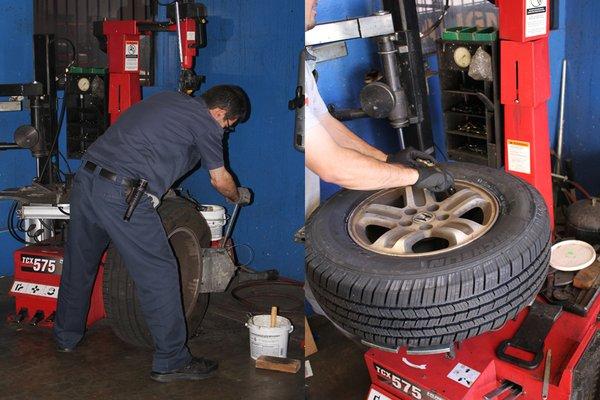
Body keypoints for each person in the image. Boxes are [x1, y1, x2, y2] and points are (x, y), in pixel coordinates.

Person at [54, 85, 252, 383]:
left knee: (79, 263)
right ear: (220, 113)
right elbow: (219, 179)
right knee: (160, 273)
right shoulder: (206, 123)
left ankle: (66, 336)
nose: (225, 130)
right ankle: (172, 360)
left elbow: (154, 144)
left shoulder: (168, 98)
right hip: (121, 192)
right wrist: (236, 195)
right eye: (228, 125)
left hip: (86, 180)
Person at [304, 0, 453, 193]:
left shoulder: (297, 62)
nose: (317, 0)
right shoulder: (273, 70)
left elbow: (325, 123)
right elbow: (333, 167)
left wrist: (388, 160)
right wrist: (415, 176)